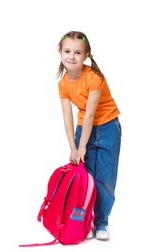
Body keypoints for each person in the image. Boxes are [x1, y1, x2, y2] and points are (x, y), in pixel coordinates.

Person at [57, 31, 121, 240]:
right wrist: (74, 147)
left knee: (104, 179)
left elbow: (91, 113)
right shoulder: (63, 84)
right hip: (83, 129)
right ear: (60, 51)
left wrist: (82, 145)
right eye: (67, 51)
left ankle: (101, 223)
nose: (71, 57)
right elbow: (68, 116)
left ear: (86, 56)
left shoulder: (93, 78)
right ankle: (83, 222)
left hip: (107, 127)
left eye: (77, 52)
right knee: (84, 177)